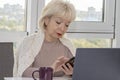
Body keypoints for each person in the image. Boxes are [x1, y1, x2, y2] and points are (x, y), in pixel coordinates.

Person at [13, 0, 76, 77]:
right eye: (58, 22)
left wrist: (72, 73)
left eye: (67, 25)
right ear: (46, 20)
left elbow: (77, 72)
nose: (62, 28)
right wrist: (49, 70)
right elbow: (23, 72)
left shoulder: (67, 46)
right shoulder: (29, 42)